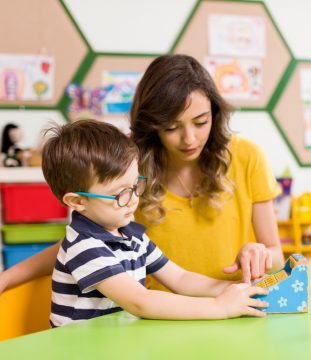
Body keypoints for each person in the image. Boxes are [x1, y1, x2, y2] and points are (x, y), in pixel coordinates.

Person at [0, 54, 284, 317]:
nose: (189, 139)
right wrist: (2, 279)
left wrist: (239, 289)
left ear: (215, 115)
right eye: (171, 127)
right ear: (152, 126)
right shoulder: (125, 168)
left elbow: (181, 277)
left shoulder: (247, 157)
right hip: (156, 319)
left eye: (201, 121)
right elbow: (80, 246)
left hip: (219, 308)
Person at [44, 120, 268, 326]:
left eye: (135, 185)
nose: (134, 200)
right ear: (77, 201)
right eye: (120, 194)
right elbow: (140, 302)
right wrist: (219, 307)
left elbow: (180, 278)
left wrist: (235, 289)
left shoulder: (131, 235)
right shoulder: (84, 246)